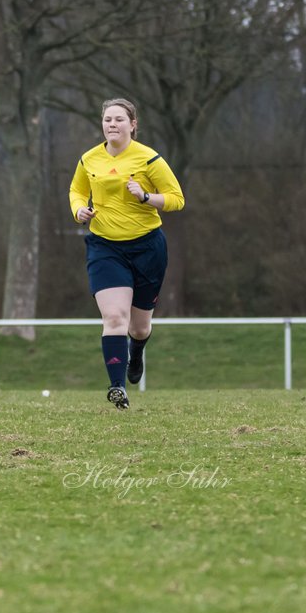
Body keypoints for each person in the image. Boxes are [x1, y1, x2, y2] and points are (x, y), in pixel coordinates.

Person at [68, 98, 185, 409]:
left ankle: (137, 351)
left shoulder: (149, 159)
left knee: (139, 326)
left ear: (133, 124)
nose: (112, 125)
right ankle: (117, 387)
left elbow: (176, 199)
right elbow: (76, 191)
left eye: (119, 119)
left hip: (147, 247)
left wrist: (146, 196)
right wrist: (79, 210)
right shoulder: (89, 159)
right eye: (108, 119)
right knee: (114, 316)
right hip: (105, 246)